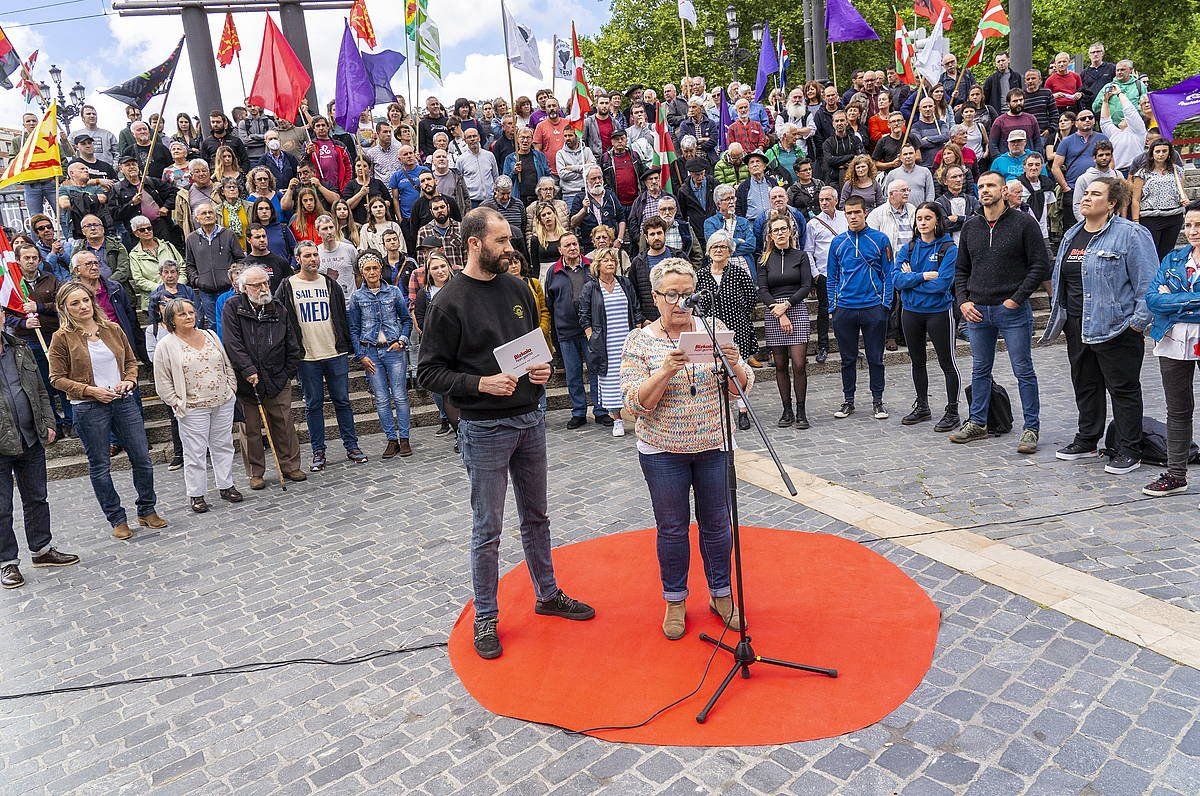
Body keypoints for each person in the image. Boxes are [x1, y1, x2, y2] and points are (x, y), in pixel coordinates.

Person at [417, 206, 595, 659]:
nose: (509, 249)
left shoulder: (518, 287)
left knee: (538, 517)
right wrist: (480, 383)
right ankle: (486, 618)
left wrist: (541, 370)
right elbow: (429, 374)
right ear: (475, 243)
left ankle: (548, 593)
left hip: (529, 420)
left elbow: (532, 348)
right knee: (488, 528)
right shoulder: (447, 301)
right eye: (501, 242)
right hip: (483, 428)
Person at [619, 257, 752, 639]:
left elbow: (741, 388)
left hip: (714, 444)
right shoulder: (640, 340)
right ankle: (675, 599)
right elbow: (632, 405)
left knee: (717, 525)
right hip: (662, 451)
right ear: (656, 297)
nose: (680, 302)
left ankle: (721, 595)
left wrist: (734, 366)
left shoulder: (714, 329)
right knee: (673, 529)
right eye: (671, 295)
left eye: (686, 294)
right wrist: (664, 371)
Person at [1042, 177, 1157, 473]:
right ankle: (1087, 439)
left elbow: (1149, 282)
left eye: (1095, 194)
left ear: (1112, 204)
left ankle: (1130, 449)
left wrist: (1137, 323)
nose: (1086, 198)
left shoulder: (1131, 235)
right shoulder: (1072, 234)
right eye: (1086, 193)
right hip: (1078, 325)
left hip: (1116, 326)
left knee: (1123, 389)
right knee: (1085, 384)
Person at [48, 282, 167, 540]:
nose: (82, 306)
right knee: (100, 465)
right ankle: (116, 518)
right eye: (75, 303)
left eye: (85, 300)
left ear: (93, 301)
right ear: (64, 309)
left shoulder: (112, 329)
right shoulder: (61, 338)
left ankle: (147, 509)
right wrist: (90, 390)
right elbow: (56, 379)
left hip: (123, 401)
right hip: (89, 407)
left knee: (142, 458)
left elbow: (131, 362)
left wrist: (130, 380)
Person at [950, 171, 1050, 452]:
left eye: (991, 185)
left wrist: (1017, 298)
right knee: (980, 369)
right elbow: (961, 270)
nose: (985, 190)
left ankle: (1031, 428)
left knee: (1023, 369)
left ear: (1004, 190)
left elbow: (1040, 264)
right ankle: (978, 422)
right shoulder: (971, 226)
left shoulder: (1023, 224)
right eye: (981, 185)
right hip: (978, 310)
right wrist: (963, 301)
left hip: (1012, 311)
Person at [0, 306, 76, 590]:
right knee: (1, 507)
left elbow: (40, 389)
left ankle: (42, 549)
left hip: (30, 436)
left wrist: (47, 420)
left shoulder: (20, 347)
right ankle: (7, 562)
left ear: (3, 316)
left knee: (37, 497)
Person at [275, 240, 367, 470]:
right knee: (313, 404)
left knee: (343, 402)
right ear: (298, 259)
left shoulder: (330, 284)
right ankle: (318, 451)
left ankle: (352, 446)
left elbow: (341, 316)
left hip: (334, 352)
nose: (313, 259)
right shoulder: (288, 285)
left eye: (315, 255)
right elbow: (281, 319)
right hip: (307, 357)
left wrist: (347, 345)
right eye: (307, 256)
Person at [152, 299, 242, 513]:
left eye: (191, 312)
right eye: (182, 314)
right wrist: (175, 401)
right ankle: (196, 493)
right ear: (171, 319)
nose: (189, 316)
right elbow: (162, 380)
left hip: (222, 399)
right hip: (192, 406)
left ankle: (226, 485)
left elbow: (225, 362)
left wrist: (231, 387)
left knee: (223, 444)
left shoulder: (210, 335)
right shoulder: (166, 344)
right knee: (195, 451)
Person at [222, 266, 306, 489]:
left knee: (284, 423)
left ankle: (290, 465)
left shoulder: (277, 308)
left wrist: (288, 371)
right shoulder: (233, 307)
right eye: (257, 285)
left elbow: (291, 341)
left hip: (277, 377)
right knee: (250, 429)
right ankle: (255, 472)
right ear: (244, 288)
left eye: (265, 283)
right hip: (245, 380)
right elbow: (233, 343)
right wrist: (248, 369)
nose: (263, 288)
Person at [1142, 202, 1200, 498]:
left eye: (1198, 225)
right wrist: (1191, 302)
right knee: (1177, 409)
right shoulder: (1174, 257)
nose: (1193, 231)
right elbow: (1153, 299)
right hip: (1172, 336)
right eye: (1189, 225)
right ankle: (1177, 474)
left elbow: (1166, 300)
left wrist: (1176, 300)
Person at [894, 203, 961, 431]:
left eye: (927, 218)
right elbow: (896, 281)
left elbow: (943, 284)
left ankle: (953, 410)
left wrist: (911, 280)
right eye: (919, 218)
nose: (922, 223)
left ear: (937, 221)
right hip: (911, 312)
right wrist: (923, 276)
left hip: (939, 312)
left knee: (947, 362)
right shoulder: (908, 248)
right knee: (917, 361)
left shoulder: (948, 249)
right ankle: (922, 405)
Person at [828, 196, 894, 420]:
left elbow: (888, 274)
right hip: (845, 308)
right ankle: (848, 400)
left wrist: (885, 305)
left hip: (872, 307)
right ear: (844, 214)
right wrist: (833, 306)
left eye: (857, 212)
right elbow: (832, 277)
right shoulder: (838, 242)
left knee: (876, 357)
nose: (853, 216)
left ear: (865, 212)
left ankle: (878, 400)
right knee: (847, 359)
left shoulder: (880, 239)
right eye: (849, 213)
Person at [349, 251, 414, 459]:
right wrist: (360, 355)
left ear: (380, 269)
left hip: (393, 349)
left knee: (400, 395)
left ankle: (404, 438)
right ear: (362, 272)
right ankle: (391, 439)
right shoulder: (357, 297)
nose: (371, 272)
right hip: (370, 351)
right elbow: (353, 328)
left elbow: (406, 319)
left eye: (375, 268)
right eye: (367, 269)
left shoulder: (393, 292)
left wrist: (402, 341)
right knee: (382, 399)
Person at [695, 232, 758, 427]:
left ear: (730, 251)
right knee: (714, 370)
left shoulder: (738, 273)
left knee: (738, 367)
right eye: (715, 246)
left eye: (723, 247)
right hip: (711, 330)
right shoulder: (700, 275)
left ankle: (742, 410)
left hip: (737, 327)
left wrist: (739, 315)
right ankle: (720, 411)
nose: (719, 250)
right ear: (708, 251)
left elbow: (751, 298)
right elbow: (696, 304)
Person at [758, 216, 814, 429]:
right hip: (774, 312)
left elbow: (806, 286)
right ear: (770, 235)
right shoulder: (764, 259)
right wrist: (779, 312)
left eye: (784, 229)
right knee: (780, 365)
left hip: (796, 308)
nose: (780, 233)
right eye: (776, 230)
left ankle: (801, 411)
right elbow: (763, 289)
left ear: (790, 232)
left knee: (799, 364)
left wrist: (787, 306)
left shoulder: (800, 256)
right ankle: (787, 409)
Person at [579, 247, 641, 438]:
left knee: (632, 378)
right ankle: (617, 420)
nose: (610, 263)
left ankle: (639, 419)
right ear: (598, 264)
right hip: (605, 344)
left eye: (613, 260)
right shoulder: (591, 287)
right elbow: (584, 316)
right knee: (611, 382)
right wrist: (591, 337)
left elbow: (635, 307)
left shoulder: (624, 282)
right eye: (606, 260)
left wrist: (637, 331)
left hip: (626, 339)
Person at [184, 203, 245, 328]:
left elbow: (240, 260)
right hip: (206, 292)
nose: (208, 215)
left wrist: (235, 278)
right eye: (204, 213)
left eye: (210, 212)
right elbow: (189, 265)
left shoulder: (228, 234)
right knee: (213, 325)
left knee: (234, 322)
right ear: (197, 219)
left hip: (228, 289)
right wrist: (197, 281)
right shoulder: (191, 239)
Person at [1131, 140, 1188, 261]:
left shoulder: (1177, 170)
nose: (1161, 154)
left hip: (1174, 216)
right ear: (1152, 154)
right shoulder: (1142, 173)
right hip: (1151, 217)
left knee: (1167, 252)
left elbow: (1181, 192)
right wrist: (1136, 222)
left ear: (1169, 153)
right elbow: (1135, 199)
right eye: (1157, 151)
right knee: (1150, 253)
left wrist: (1184, 200)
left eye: (1164, 151)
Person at [249, 199, 297, 266]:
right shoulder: (251, 231)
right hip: (260, 272)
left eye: (267, 208)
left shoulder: (283, 228)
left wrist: (292, 266)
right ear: (255, 212)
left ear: (271, 210)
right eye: (260, 209)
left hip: (283, 271)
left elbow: (295, 250)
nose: (264, 211)